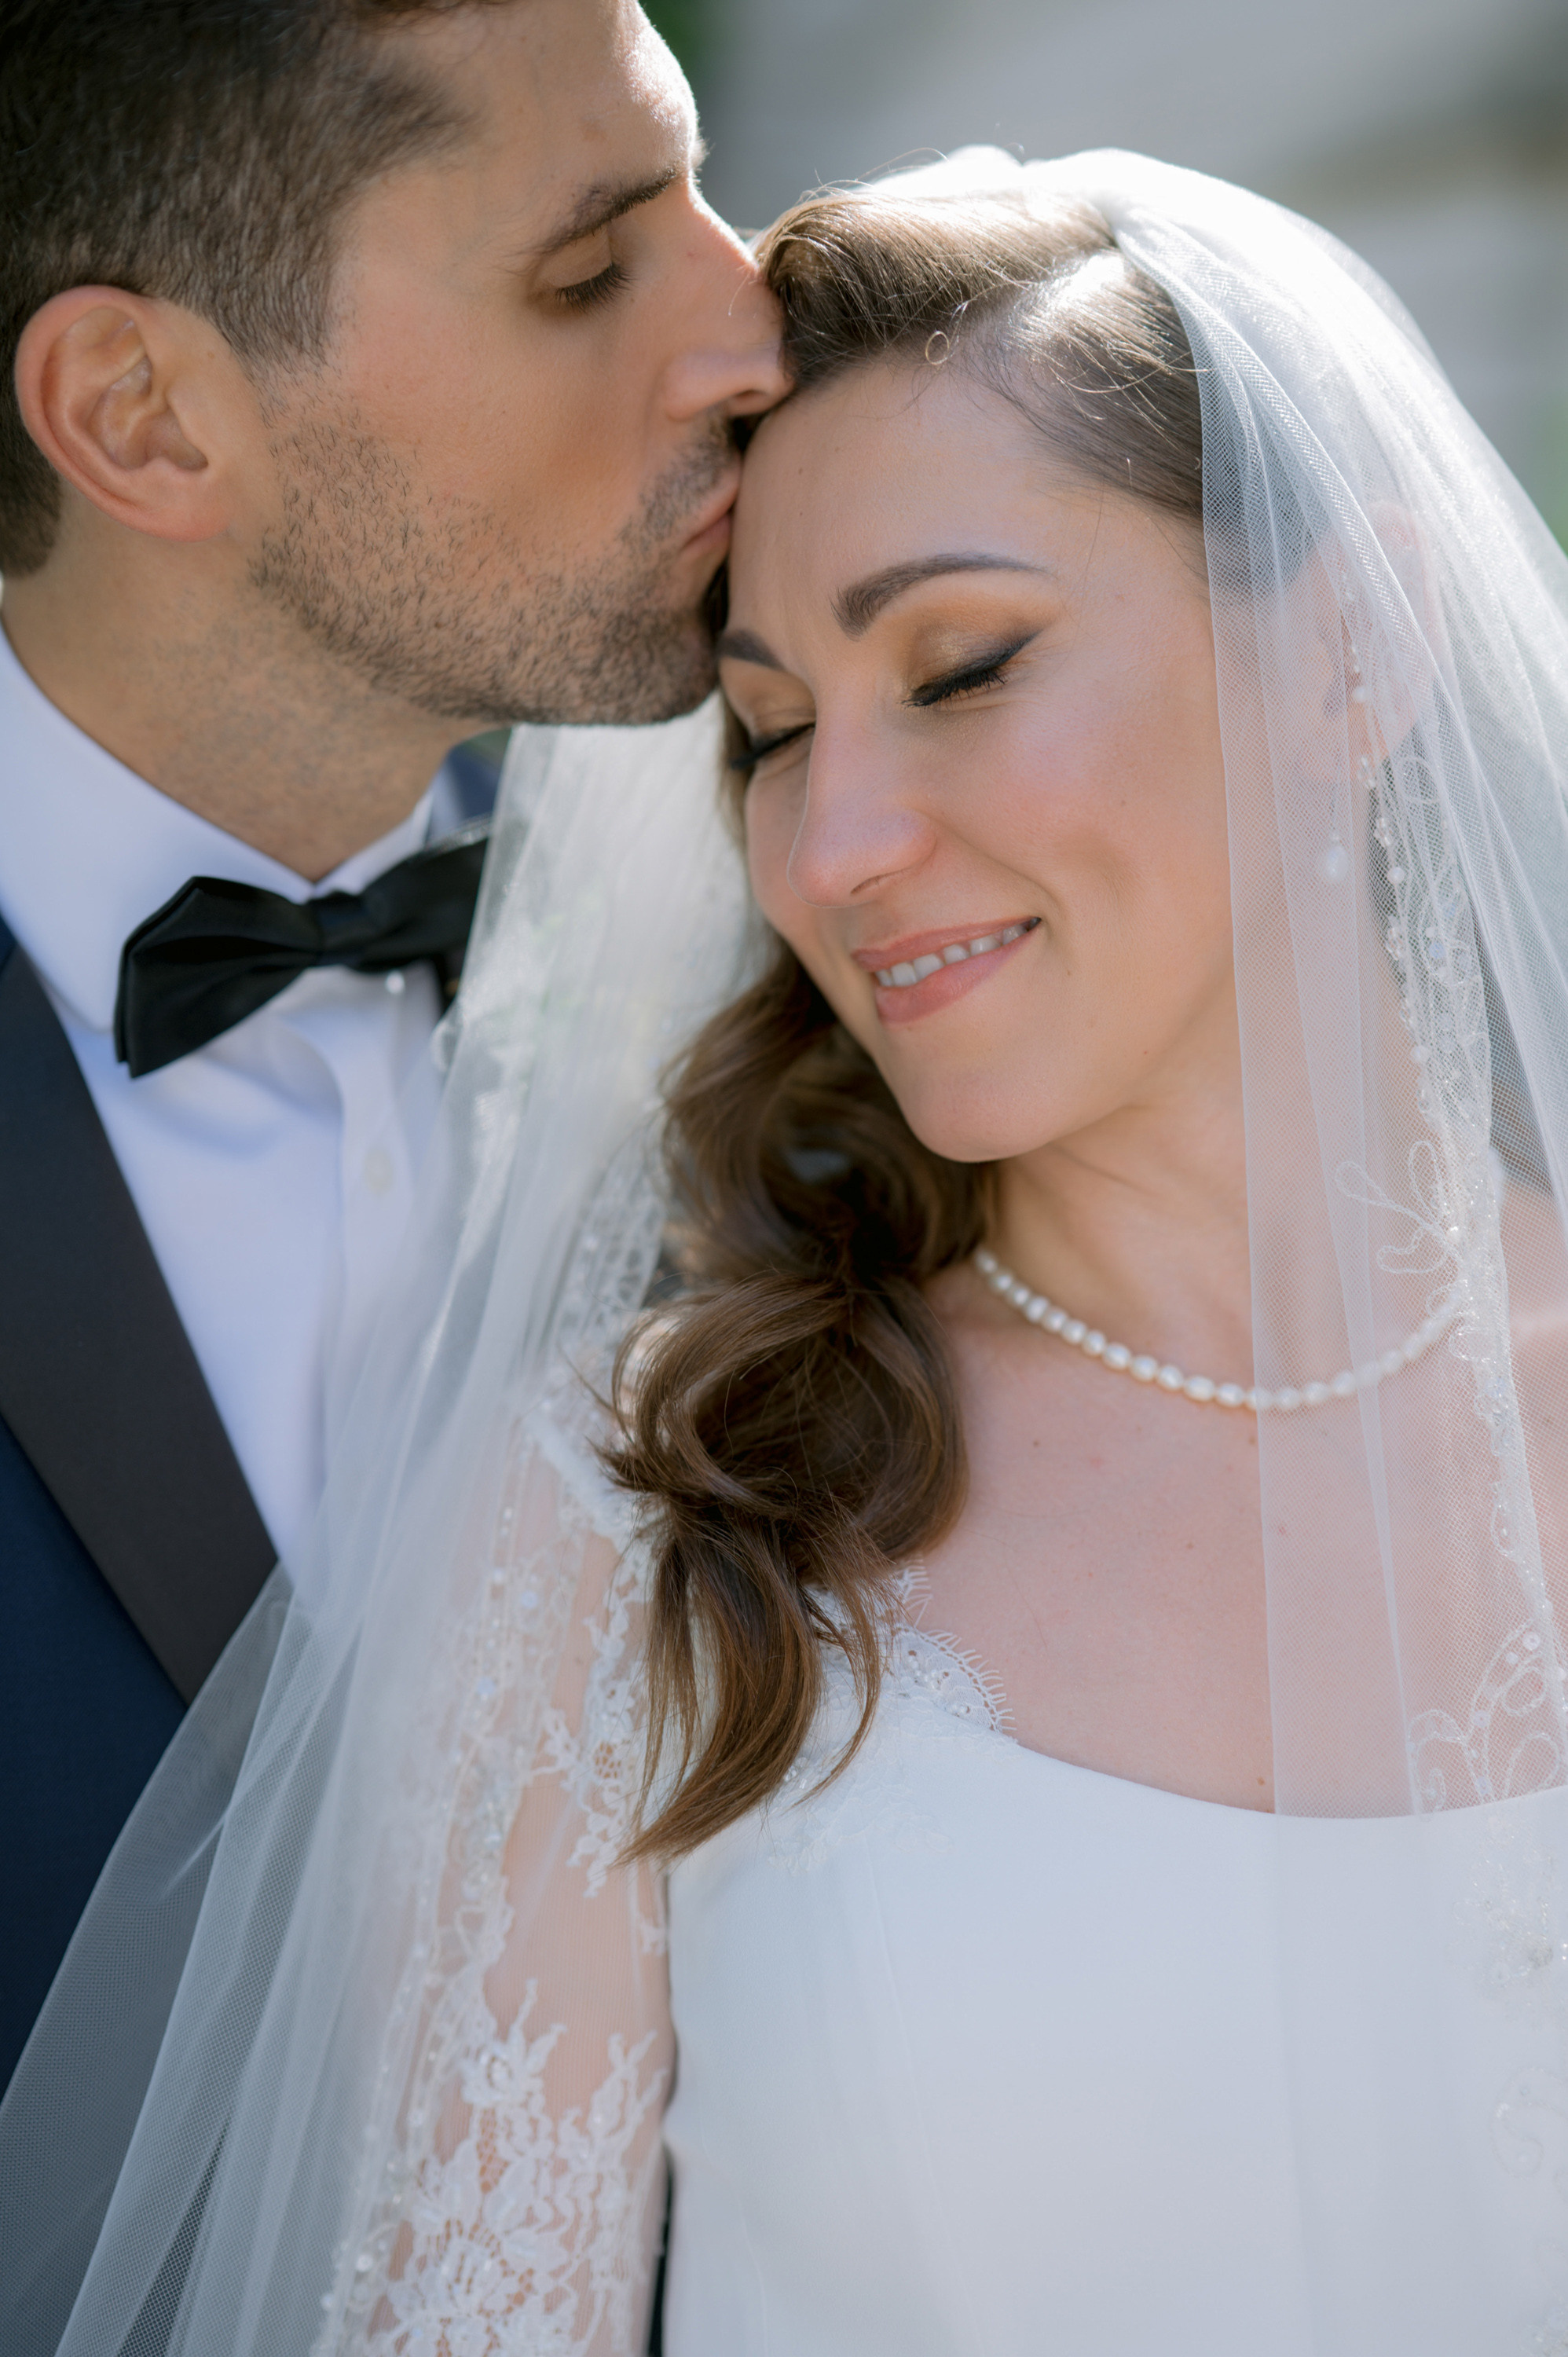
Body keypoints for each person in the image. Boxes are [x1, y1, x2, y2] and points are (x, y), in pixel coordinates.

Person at [9, 146, 1568, 2355]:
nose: (832, 843)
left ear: (1352, 655)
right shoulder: (643, 1523)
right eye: (764, 733)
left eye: (959, 664)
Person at [0, 0, 784, 2099]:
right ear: (144, 417)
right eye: (584, 269)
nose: (753, 333)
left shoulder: (828, 978)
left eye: (699, 196)